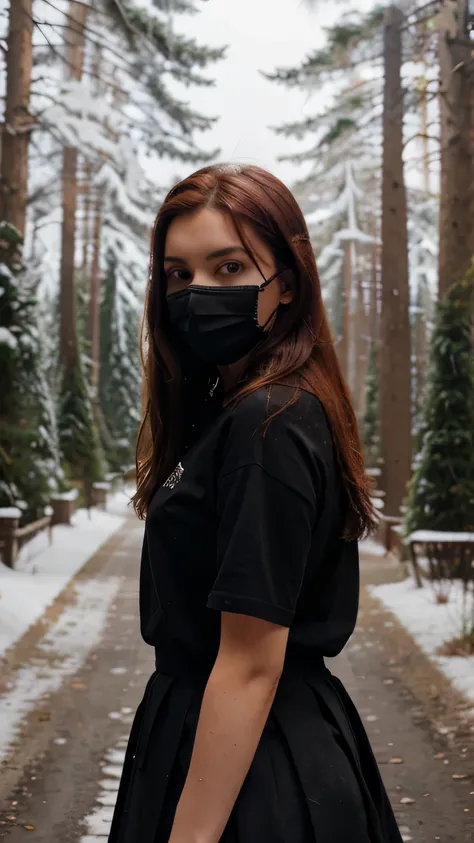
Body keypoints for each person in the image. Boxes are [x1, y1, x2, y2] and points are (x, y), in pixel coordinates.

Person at [108, 163, 403, 843]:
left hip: (257, 776)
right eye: (178, 275)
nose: (196, 293)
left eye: (230, 267)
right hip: (231, 749)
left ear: (287, 285)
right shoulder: (233, 411)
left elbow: (248, 663)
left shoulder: (270, 421)